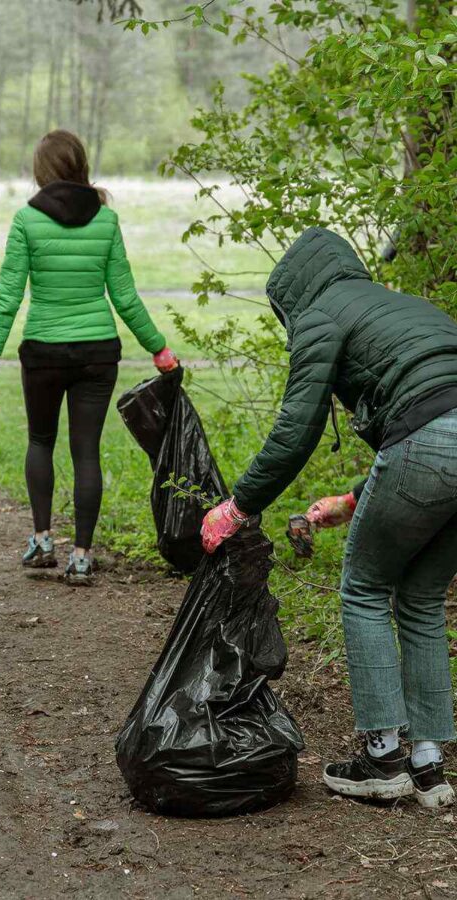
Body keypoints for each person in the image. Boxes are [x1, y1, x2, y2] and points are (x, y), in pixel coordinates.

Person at [201, 226, 457, 810]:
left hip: (427, 443)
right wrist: (355, 496)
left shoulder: (320, 316)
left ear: (291, 294)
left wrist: (240, 505)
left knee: (364, 587)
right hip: (442, 447)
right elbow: (442, 410)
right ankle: (428, 766)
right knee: (419, 597)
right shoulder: (408, 306)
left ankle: (382, 758)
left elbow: (298, 430)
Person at [0, 130, 177, 584]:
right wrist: (158, 347)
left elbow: (9, 294)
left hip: (44, 351)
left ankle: (43, 540)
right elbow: (124, 296)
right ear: (81, 165)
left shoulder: (26, 220)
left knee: (40, 441)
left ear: (41, 170)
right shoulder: (106, 221)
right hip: (97, 352)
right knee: (87, 450)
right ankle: (82, 556)